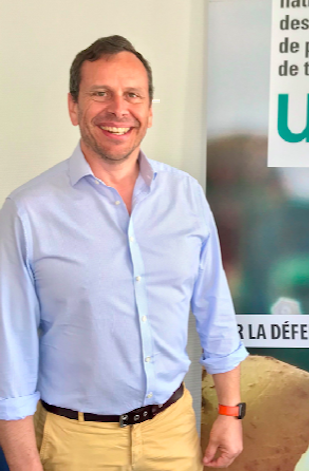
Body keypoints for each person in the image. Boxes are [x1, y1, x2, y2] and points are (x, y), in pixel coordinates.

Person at [0, 36, 248, 471]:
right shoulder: (28, 211)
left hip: (172, 436)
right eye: (101, 93)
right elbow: (10, 350)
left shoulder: (185, 195)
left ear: (149, 111)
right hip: (74, 445)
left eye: (133, 95)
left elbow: (215, 310)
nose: (119, 109)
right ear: (73, 107)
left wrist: (230, 411)